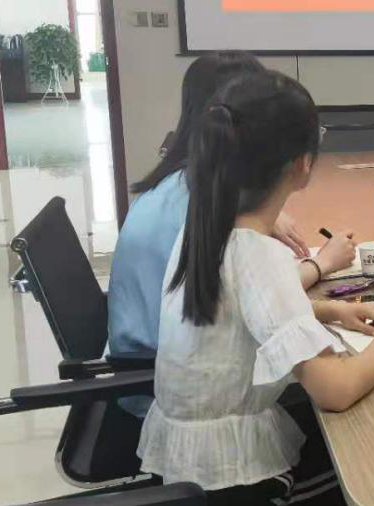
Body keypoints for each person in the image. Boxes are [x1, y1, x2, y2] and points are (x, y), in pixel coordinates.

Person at [138, 69, 374, 506]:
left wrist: (329, 310)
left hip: (187, 472)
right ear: (302, 165)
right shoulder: (261, 256)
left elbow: (239, 313)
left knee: (355, 433)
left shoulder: (204, 226)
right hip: (234, 500)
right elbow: (335, 391)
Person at [107, 52, 359, 365]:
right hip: (158, 367)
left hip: (161, 351)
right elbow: (259, 291)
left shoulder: (188, 182)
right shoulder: (200, 201)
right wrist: (322, 263)